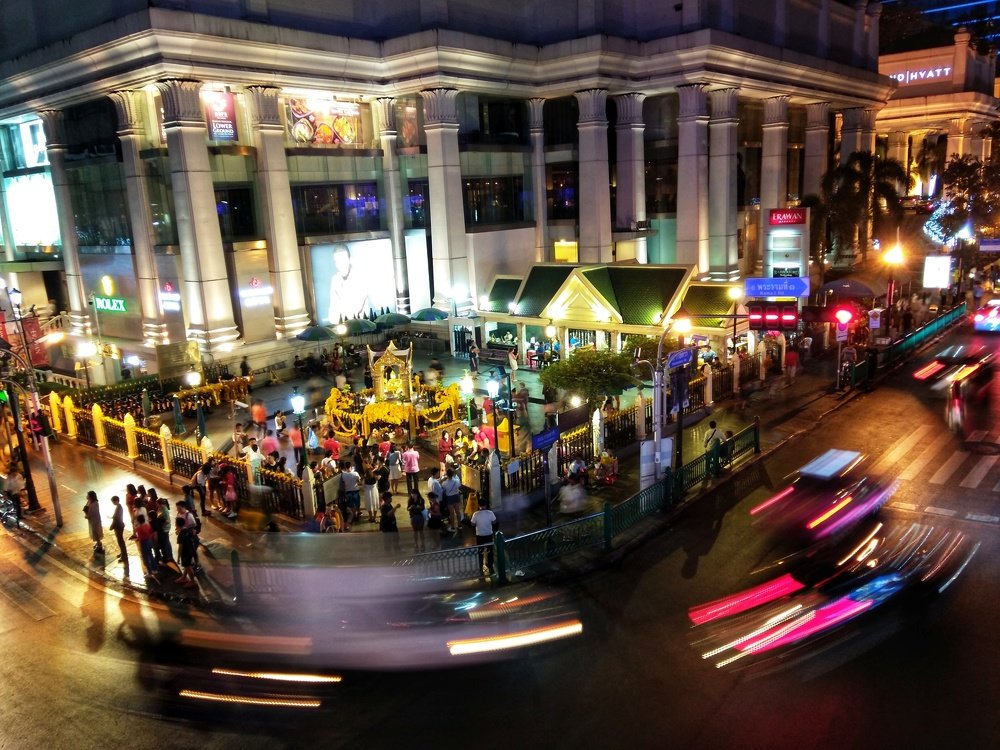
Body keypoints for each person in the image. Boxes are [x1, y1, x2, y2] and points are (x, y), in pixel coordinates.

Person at [327, 242, 368, 322]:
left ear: (350, 259)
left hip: (361, 326)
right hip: (341, 327)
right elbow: (332, 310)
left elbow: (357, 308)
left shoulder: (360, 277)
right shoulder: (335, 280)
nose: (340, 264)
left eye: (343, 260)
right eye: (337, 261)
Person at [470, 498, 497, 575]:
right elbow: (494, 522)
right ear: (486, 505)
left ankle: (481, 566)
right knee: (490, 551)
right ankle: (490, 566)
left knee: (480, 551)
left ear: (478, 505)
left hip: (480, 535)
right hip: (489, 534)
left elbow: (472, 524)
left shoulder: (476, 514)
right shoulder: (490, 513)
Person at [134, 513, 158, 584]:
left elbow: (139, 536)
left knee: (146, 558)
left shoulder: (139, 528)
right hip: (149, 541)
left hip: (144, 543)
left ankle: (150, 572)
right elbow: (151, 532)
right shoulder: (147, 525)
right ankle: (155, 569)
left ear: (138, 521)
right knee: (150, 555)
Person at [84, 490, 104, 554]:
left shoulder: (94, 504)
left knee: (96, 532)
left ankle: (99, 544)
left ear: (90, 497)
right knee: (94, 531)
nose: (86, 496)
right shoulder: (89, 502)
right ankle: (98, 542)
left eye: (88, 495)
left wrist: (87, 514)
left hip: (95, 520)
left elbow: (92, 513)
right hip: (92, 520)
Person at [109, 495, 127, 562]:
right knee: (120, 541)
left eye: (113, 502)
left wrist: (111, 527)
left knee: (120, 541)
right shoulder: (119, 507)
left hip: (118, 526)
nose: (112, 503)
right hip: (119, 526)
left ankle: (123, 555)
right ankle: (122, 553)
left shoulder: (119, 508)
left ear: (116, 501)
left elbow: (116, 519)